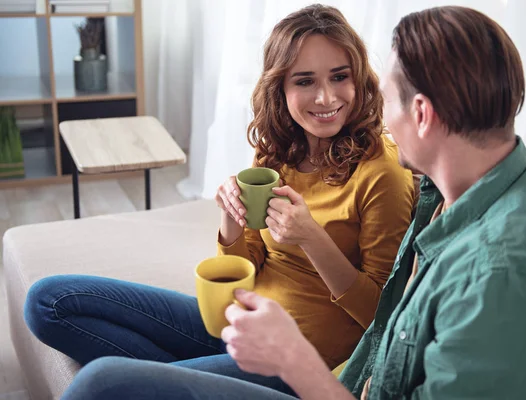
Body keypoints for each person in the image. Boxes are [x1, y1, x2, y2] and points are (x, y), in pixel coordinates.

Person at [59, 4, 526, 400]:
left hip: (315, 370)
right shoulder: (448, 197)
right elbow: (389, 338)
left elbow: (369, 326)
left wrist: (292, 359)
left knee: (100, 384)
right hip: (319, 362)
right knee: (60, 307)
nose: (367, 110)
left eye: (380, 95)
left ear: (423, 114)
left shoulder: (507, 272)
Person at [23, 4, 414, 396]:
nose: (326, 97)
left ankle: (162, 380)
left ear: (358, 77)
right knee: (48, 301)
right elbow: (247, 266)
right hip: (236, 321)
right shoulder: (280, 150)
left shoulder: (382, 172)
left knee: (100, 381)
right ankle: (175, 380)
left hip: (295, 358)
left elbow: (383, 315)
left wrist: (311, 237)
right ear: (281, 86)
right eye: (305, 81)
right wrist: (232, 220)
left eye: (339, 76)